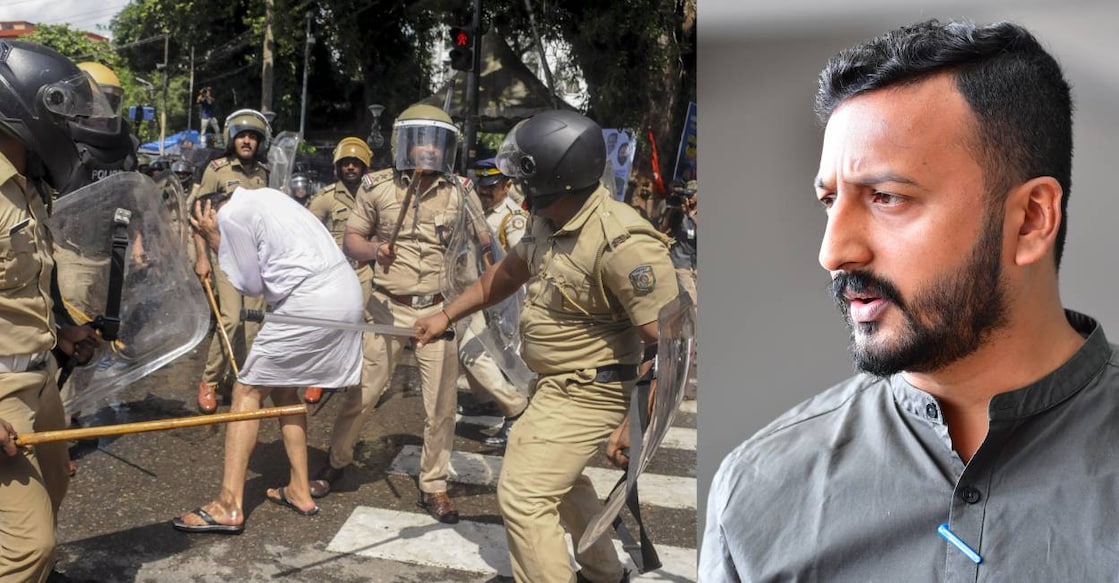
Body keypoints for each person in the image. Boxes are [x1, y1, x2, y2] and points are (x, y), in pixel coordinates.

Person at [699, 19, 1114, 580]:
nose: (833, 251)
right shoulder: (757, 492)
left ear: (1030, 220)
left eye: (887, 197)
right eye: (830, 200)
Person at [414, 110, 678, 583]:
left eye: (524, 178)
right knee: (557, 481)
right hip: (555, 385)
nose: (515, 187)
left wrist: (633, 428)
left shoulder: (622, 242)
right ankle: (603, 573)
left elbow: (671, 346)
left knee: (523, 494)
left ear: (559, 176)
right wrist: (446, 314)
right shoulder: (548, 219)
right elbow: (508, 273)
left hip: (593, 389)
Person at [1, 40, 130, 582]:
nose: (76, 126)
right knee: (27, 548)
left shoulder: (27, 183)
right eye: (65, 112)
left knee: (55, 487)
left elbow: (21, 287)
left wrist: (61, 332)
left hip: (40, 378)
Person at [309, 104, 471, 525]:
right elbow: (353, 239)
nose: (428, 149)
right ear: (406, 144)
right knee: (361, 393)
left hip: (436, 313)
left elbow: (481, 244)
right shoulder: (376, 187)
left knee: (441, 406)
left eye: (436, 141)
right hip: (384, 307)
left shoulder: (460, 191)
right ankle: (338, 461)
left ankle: (434, 485)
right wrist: (374, 251)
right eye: (421, 140)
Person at [173, 187, 363, 533]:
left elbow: (250, 284)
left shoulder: (231, 217)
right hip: (343, 292)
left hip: (310, 300)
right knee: (285, 391)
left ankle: (229, 504)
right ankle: (300, 489)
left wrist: (215, 237)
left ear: (210, 213)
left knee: (247, 392)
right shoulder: (268, 196)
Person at [191, 109, 271, 414]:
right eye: (242, 136)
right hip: (223, 252)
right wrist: (202, 258)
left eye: (253, 137)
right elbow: (198, 217)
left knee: (253, 323)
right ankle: (209, 382)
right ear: (232, 139)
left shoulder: (264, 173)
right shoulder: (216, 169)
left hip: (256, 257)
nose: (247, 141)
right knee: (231, 318)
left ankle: (242, 380)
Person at [455, 157, 530, 448]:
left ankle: (516, 407)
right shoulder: (477, 210)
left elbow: (523, 262)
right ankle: (485, 400)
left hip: (502, 297)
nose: (485, 192)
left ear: (507, 185)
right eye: (482, 186)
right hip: (475, 292)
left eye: (493, 187)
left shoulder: (513, 218)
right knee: (482, 352)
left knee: (471, 352)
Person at [306, 136, 376, 406]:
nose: (350, 167)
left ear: (364, 166)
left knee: (364, 323)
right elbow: (308, 230)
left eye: (355, 163)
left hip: (362, 269)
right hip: (333, 271)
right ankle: (318, 377)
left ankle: (359, 376)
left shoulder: (373, 195)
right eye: (345, 163)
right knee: (327, 322)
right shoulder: (325, 198)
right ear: (338, 166)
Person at [660, 179, 697, 303]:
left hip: (695, 266)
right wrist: (673, 209)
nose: (689, 198)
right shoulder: (678, 213)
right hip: (681, 264)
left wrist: (692, 217)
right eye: (687, 195)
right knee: (692, 302)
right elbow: (663, 230)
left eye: (692, 194)